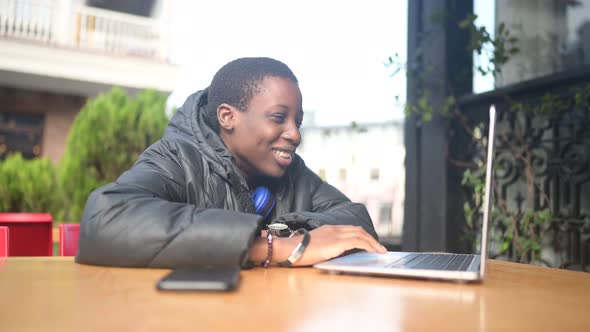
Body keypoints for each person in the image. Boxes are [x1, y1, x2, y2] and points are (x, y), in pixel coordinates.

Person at [76, 57, 386, 268]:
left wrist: (284, 234)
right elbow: (104, 219)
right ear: (228, 117)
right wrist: (266, 247)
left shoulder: (294, 172)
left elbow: (355, 220)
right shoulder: (175, 158)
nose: (294, 134)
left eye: (298, 122)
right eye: (279, 118)